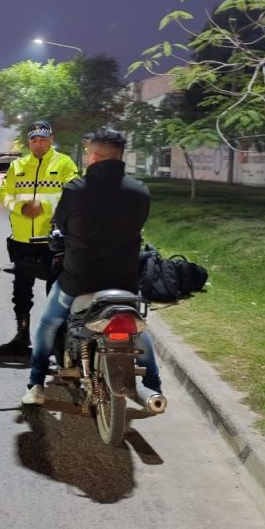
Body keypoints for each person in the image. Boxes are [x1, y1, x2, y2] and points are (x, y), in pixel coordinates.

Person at [21, 127, 161, 405]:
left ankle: (36, 384)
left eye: (87, 153)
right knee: (138, 328)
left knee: (48, 323)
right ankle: (154, 384)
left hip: (79, 278)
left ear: (95, 156)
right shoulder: (140, 191)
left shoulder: (76, 189)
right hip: (124, 279)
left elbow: (61, 225)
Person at [0, 120, 79, 351]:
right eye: (34, 140)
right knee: (21, 291)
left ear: (51, 139)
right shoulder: (18, 165)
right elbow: (5, 193)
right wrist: (21, 207)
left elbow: (73, 195)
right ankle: (22, 334)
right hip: (23, 240)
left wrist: (43, 205)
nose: (39, 144)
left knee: (55, 293)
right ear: (28, 142)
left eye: (43, 139)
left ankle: (58, 340)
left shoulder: (64, 163)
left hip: (52, 241)